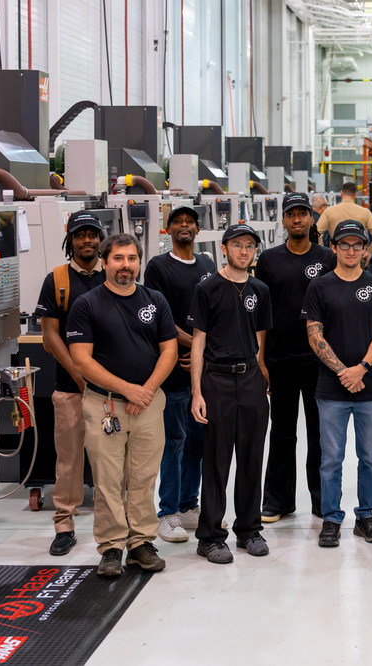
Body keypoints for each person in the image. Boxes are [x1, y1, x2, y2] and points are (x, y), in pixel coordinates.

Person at [67, 233, 178, 576]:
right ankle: (112, 546)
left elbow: (170, 350)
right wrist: (127, 390)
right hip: (106, 406)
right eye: (118, 259)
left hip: (148, 403)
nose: (126, 265)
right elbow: (82, 361)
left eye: (131, 258)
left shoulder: (155, 300)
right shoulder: (87, 305)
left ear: (139, 262)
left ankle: (141, 542)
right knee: (108, 479)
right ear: (105, 262)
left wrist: (145, 390)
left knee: (144, 477)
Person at [303, 220, 372, 548]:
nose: (351, 250)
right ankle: (331, 518)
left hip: (369, 387)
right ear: (334, 248)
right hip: (331, 388)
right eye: (345, 244)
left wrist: (362, 368)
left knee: (369, 456)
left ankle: (366, 515)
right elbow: (315, 335)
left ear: (366, 250)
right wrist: (344, 371)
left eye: (358, 245)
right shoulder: (320, 286)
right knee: (331, 457)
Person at [189, 224, 273, 564]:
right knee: (217, 461)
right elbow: (198, 341)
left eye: (249, 246)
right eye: (237, 245)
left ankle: (249, 530)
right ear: (224, 249)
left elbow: (260, 332)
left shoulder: (260, 289)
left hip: (250, 379)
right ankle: (210, 537)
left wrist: (261, 368)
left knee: (252, 458)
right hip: (217, 381)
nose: (243, 251)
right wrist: (197, 392)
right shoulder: (208, 288)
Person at [257, 193, 336, 521]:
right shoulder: (269, 260)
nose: (298, 219)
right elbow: (260, 313)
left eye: (304, 213)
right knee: (282, 430)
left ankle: (321, 500)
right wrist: (260, 358)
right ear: (284, 220)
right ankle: (277, 501)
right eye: (292, 214)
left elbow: (337, 308)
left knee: (320, 432)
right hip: (281, 359)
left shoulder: (327, 258)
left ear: (311, 219)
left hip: (318, 361)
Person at [35, 210, 106, 556]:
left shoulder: (115, 274)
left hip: (111, 391)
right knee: (69, 460)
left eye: (92, 234)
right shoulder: (58, 280)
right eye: (80, 235)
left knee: (112, 459)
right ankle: (64, 523)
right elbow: (50, 333)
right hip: (69, 388)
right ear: (70, 240)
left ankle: (115, 524)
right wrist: (79, 374)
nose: (87, 241)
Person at [143, 205, 215, 544]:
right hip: (173, 369)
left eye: (189, 222)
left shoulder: (207, 264)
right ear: (167, 230)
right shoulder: (158, 267)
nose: (184, 226)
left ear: (198, 230)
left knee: (198, 441)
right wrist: (191, 347)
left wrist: (202, 353)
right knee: (174, 441)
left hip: (201, 372)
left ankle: (189, 506)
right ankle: (167, 513)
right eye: (178, 222)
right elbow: (159, 315)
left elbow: (214, 312)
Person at [316, 181, 372, 262]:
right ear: (356, 195)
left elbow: (316, 232)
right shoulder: (365, 212)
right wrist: (369, 251)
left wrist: (325, 252)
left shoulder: (329, 212)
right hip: (357, 256)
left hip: (336, 256)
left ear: (341, 193)